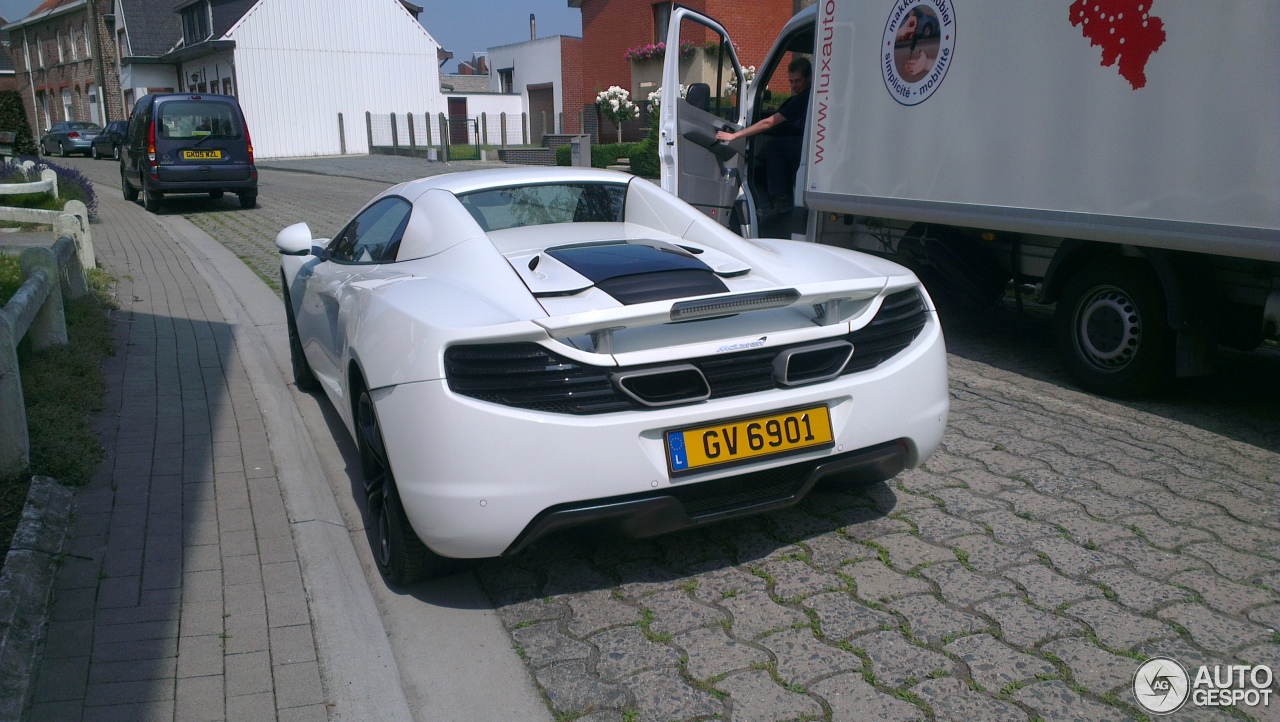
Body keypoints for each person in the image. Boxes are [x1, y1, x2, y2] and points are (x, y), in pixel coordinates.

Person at [715, 57, 812, 218]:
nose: (794, 85)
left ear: (808, 78)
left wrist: (734, 135)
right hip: (806, 145)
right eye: (791, 81)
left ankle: (782, 200)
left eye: (798, 81)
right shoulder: (803, 97)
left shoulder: (804, 97)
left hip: (807, 149)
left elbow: (768, 123)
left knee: (774, 147)